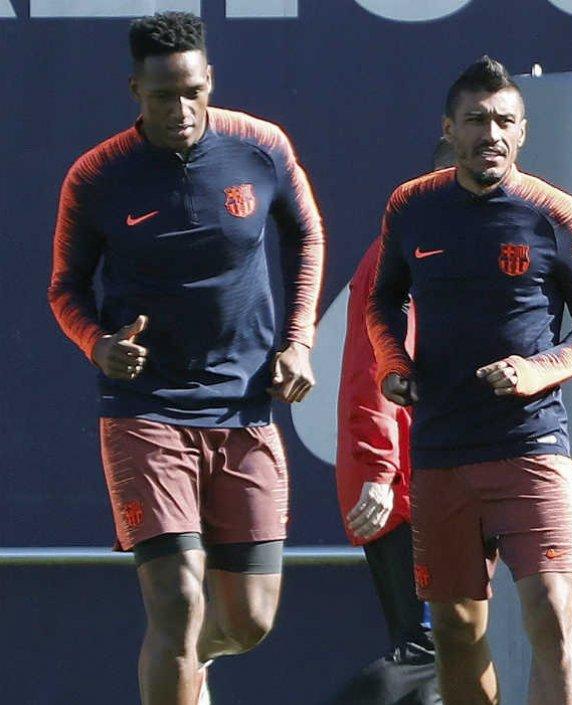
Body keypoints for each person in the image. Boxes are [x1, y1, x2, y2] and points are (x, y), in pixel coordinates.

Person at [46, 12, 324, 705]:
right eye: (163, 95)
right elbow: (65, 287)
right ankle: (173, 667)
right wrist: (98, 345)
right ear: (134, 89)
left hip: (245, 408)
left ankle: (182, 671)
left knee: (250, 620)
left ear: (211, 82)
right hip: (147, 413)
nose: (181, 109)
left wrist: (299, 340)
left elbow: (308, 235)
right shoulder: (97, 176)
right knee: (176, 604)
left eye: (193, 91)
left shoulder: (261, 147)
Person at [366, 56, 572, 705]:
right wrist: (395, 365)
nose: (492, 133)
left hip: (532, 446)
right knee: (454, 628)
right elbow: (380, 301)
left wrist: (538, 370)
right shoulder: (411, 205)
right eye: (476, 120)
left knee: (552, 612)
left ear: (523, 131)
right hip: (443, 451)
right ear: (449, 129)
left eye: (505, 120)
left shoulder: (554, 213)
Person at [329, 139, 457, 705]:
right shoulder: (401, 256)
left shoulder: (455, 254)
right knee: (431, 650)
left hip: (437, 479)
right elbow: (372, 368)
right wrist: (381, 472)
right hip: (405, 486)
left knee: (443, 658)